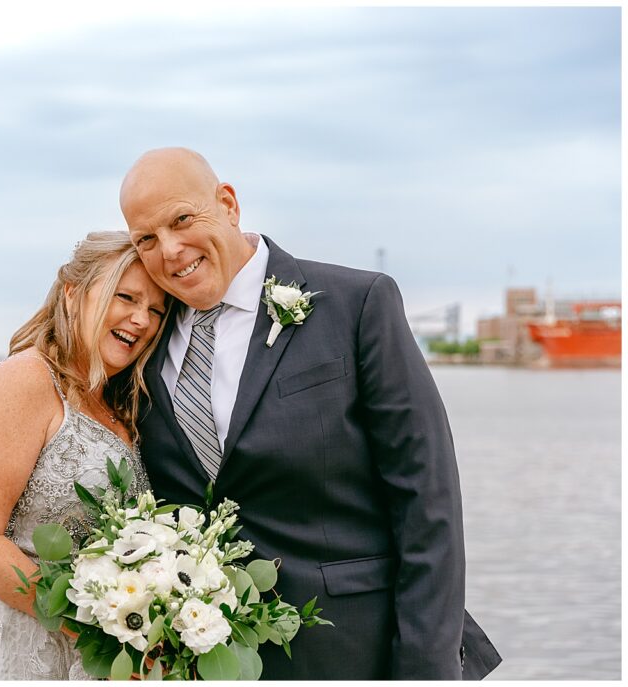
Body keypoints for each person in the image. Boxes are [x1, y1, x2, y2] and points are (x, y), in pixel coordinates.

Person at [119, 147, 502, 680]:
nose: (170, 249)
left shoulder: (357, 304)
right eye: (146, 239)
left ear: (228, 204)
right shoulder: (142, 339)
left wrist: (426, 670)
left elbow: (428, 501)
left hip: (354, 650)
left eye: (181, 219)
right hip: (204, 661)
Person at [0, 231, 169, 680]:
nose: (141, 320)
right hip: (27, 646)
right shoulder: (25, 380)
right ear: (73, 294)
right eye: (126, 297)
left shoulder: (120, 403)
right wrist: (92, 629)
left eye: (156, 310)